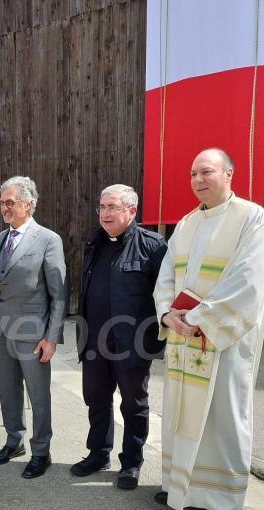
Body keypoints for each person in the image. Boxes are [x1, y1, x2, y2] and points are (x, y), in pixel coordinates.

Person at [154, 148, 264, 510]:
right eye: (193, 174)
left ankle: (227, 504)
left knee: (223, 417)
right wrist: (167, 314)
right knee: (182, 411)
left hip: (223, 340)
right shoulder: (186, 223)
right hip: (184, 339)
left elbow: (247, 281)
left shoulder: (252, 218)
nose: (198, 180)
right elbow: (167, 275)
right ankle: (181, 486)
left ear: (229, 174)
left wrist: (198, 318)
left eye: (207, 172)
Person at [74, 184, 167, 489]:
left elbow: (164, 296)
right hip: (94, 342)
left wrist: (156, 341)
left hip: (132, 344)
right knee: (97, 400)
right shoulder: (94, 244)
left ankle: (131, 463)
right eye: (101, 207)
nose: (105, 213)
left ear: (132, 211)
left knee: (134, 405)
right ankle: (98, 453)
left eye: (112, 207)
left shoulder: (153, 247)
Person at [0, 176, 67, 479]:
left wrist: (52, 337)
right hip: (3, 330)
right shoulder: (1, 238)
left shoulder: (48, 239)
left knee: (38, 395)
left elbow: (59, 294)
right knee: (7, 391)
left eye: (10, 202)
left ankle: (41, 451)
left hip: (34, 334)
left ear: (28, 204)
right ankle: (13, 441)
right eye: (2, 202)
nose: (4, 208)